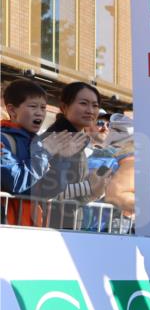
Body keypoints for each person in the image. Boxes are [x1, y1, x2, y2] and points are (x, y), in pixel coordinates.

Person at [1, 80, 87, 225]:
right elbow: (15, 183)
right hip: (7, 226)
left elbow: (48, 190)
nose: (39, 113)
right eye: (33, 106)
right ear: (12, 110)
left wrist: (61, 158)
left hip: (33, 227)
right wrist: (45, 154)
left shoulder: (40, 143)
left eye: (43, 108)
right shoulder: (3, 140)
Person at [35, 82, 111, 229]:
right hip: (48, 226)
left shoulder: (77, 139)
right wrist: (88, 188)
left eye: (95, 105)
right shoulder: (56, 138)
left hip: (68, 225)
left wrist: (94, 190)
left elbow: (72, 196)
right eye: (83, 103)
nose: (90, 110)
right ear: (64, 107)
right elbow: (44, 190)